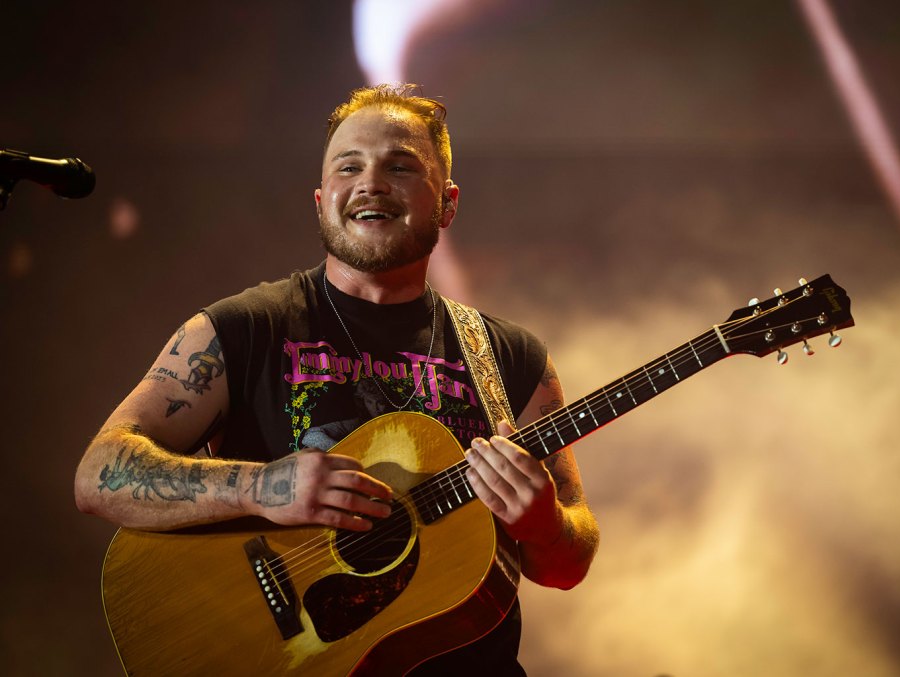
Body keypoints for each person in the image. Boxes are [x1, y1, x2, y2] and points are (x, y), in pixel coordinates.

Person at [74, 84, 600, 674]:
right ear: (322, 200)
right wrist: (260, 488)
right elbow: (99, 474)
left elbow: (567, 565)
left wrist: (545, 525)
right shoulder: (244, 328)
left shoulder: (512, 356)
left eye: (400, 166)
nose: (371, 182)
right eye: (350, 166)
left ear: (447, 205)